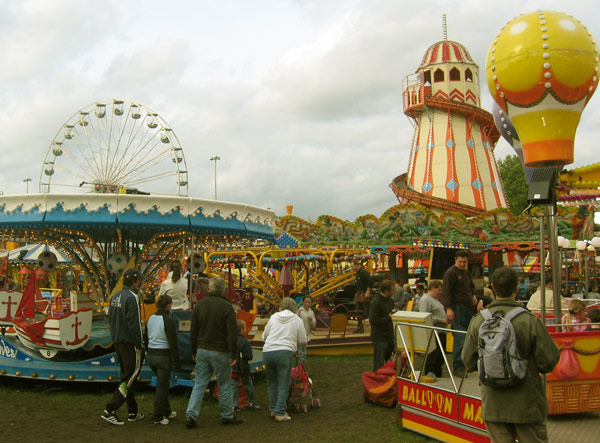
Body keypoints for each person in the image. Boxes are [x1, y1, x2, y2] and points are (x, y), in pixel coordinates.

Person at [462, 266, 559, 443]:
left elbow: (467, 359)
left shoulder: (479, 321)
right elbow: (549, 361)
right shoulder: (529, 320)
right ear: (516, 288)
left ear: (492, 287)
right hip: (527, 403)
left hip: (493, 403)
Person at [185, 277, 243, 428]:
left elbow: (193, 330)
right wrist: (233, 353)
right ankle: (227, 414)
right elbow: (231, 332)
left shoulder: (200, 305)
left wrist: (193, 349)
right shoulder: (226, 306)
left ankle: (191, 414)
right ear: (223, 289)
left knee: (200, 383)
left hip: (202, 349)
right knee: (224, 384)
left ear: (209, 288)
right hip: (221, 351)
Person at [101, 268, 145, 426]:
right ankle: (110, 409)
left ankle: (132, 411)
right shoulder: (132, 297)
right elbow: (135, 325)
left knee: (127, 376)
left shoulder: (115, 297)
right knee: (130, 376)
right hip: (130, 344)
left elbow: (110, 319)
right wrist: (139, 344)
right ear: (136, 281)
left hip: (118, 342)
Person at [262, 297, 307, 422]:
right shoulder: (296, 320)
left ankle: (272, 408)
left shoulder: (274, 317)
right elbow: (303, 339)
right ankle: (280, 412)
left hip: (268, 350)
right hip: (285, 351)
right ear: (294, 307)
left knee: (272, 383)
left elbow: (265, 335)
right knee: (283, 383)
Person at [144, 294, 181, 425]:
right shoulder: (168, 320)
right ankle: (157, 416)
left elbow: (146, 338)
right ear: (168, 306)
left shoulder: (150, 319)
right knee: (162, 387)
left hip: (151, 355)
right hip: (163, 356)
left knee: (162, 383)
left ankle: (166, 410)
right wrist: (178, 362)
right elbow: (173, 343)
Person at [442, 250, 476, 378]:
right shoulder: (450, 273)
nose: (462, 264)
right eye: (460, 262)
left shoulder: (466, 272)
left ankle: (468, 363)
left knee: (469, 338)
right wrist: (448, 308)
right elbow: (446, 292)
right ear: (455, 260)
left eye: (465, 262)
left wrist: (473, 295)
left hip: (468, 307)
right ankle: (458, 367)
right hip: (457, 307)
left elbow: (471, 286)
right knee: (460, 338)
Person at [418, 280, 448, 379]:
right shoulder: (426, 300)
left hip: (441, 331)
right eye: (439, 290)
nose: (441, 292)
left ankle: (437, 374)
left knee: (440, 356)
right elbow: (424, 316)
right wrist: (440, 320)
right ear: (432, 288)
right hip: (433, 332)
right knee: (433, 356)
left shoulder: (435, 299)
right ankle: (430, 374)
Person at [232, 319, 260, 411]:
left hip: (233, 366)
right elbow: (248, 356)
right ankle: (251, 402)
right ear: (241, 330)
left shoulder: (230, 340)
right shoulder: (245, 342)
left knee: (233, 386)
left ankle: (234, 405)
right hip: (243, 367)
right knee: (248, 384)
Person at [368, 279, 395, 372]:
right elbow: (373, 320)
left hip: (389, 336)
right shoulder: (376, 302)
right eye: (392, 290)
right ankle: (377, 382)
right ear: (386, 291)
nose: (393, 292)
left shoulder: (390, 301)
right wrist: (388, 318)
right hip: (380, 337)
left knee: (391, 362)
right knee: (379, 364)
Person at [350, 260, 373, 333]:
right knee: (358, 311)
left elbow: (370, 281)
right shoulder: (357, 273)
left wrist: (368, 291)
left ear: (357, 265)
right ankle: (360, 327)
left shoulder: (363, 272)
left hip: (364, 292)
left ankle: (376, 327)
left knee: (367, 312)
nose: (351, 268)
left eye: (352, 266)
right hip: (359, 293)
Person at [296, 295, 316, 363]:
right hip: (299, 334)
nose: (307, 304)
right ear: (303, 302)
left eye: (309, 302)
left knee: (304, 350)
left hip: (306, 333)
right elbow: (295, 322)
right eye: (306, 302)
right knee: (300, 351)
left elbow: (313, 325)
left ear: (311, 303)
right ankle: (300, 365)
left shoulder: (311, 312)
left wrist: (311, 320)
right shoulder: (300, 311)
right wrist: (298, 315)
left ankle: (303, 365)